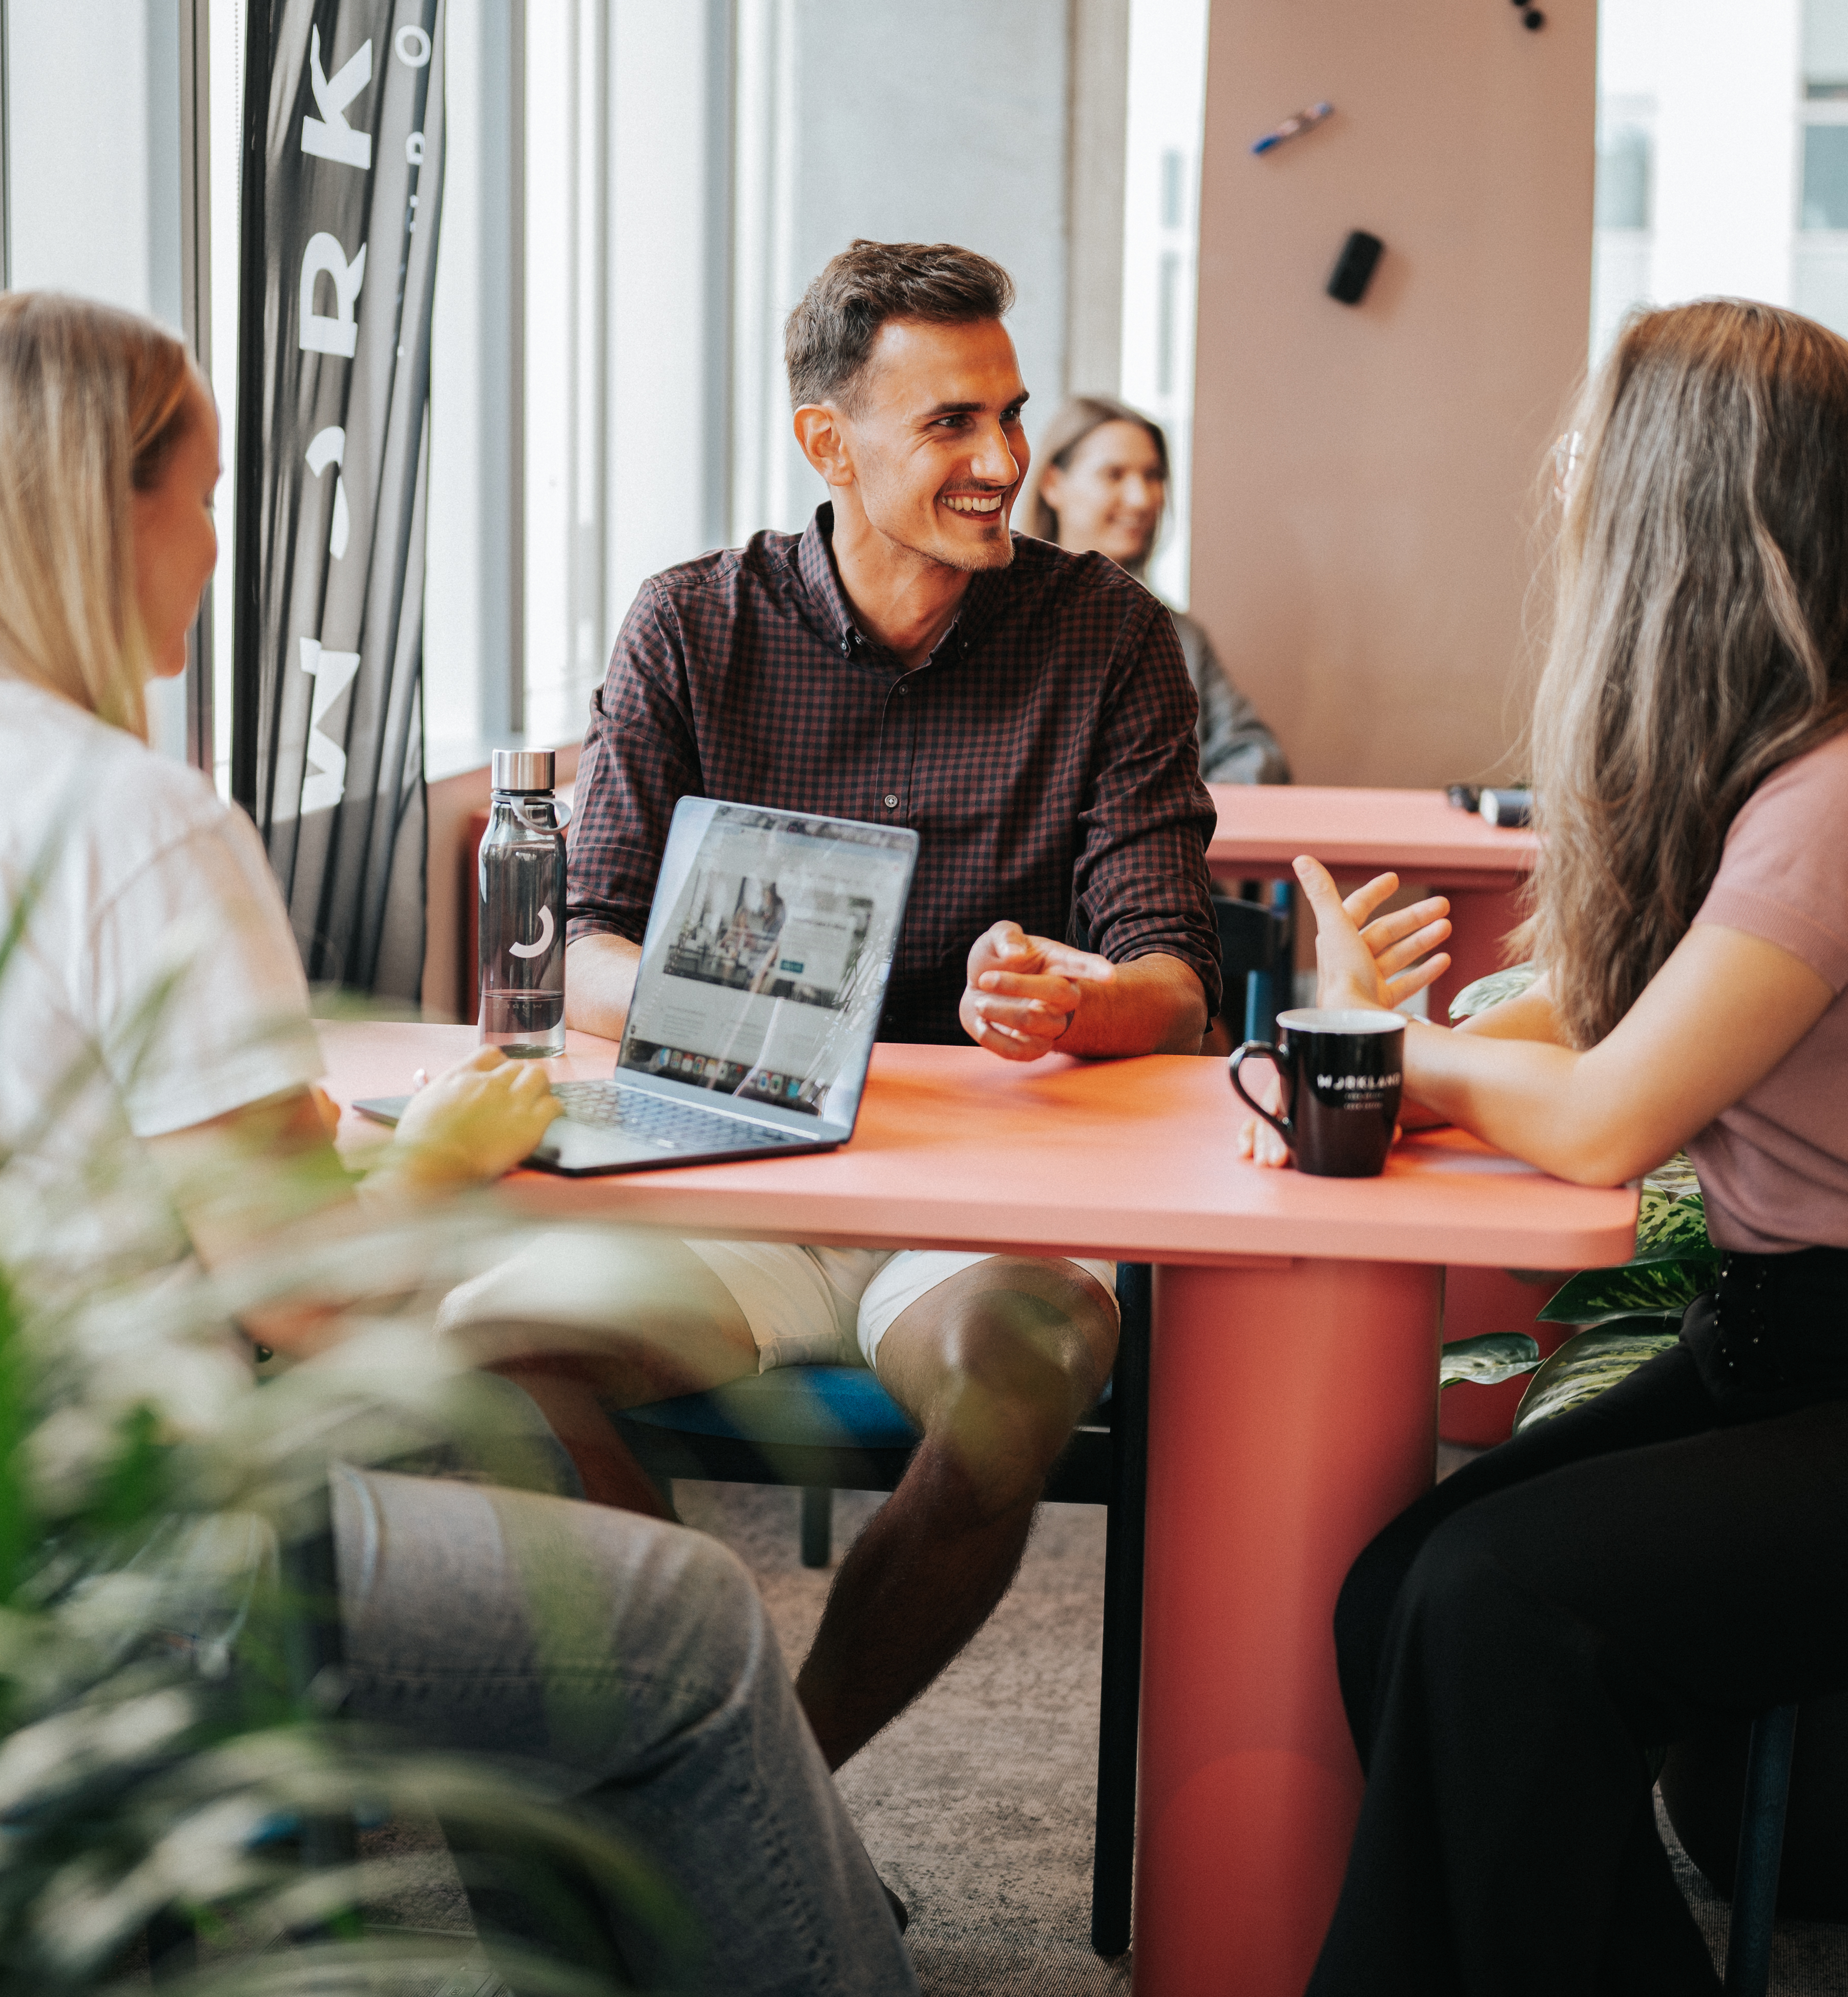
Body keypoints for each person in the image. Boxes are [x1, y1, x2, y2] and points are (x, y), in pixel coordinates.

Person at [0, 291, 922, 1997]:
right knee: (688, 1618)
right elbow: (304, 1310)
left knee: (523, 1521)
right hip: (110, 1557)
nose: (215, 540)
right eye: (197, 493)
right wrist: (454, 1154)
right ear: (98, 509)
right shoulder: (131, 815)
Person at [442, 240, 1447, 1775]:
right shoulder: (689, 626)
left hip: (992, 1202)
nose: (1001, 463)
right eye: (950, 425)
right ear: (825, 443)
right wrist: (733, 993)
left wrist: (1079, 1001)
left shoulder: (1110, 637)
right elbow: (582, 949)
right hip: (734, 1176)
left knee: (1020, 1373)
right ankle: (711, 1761)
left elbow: (1172, 984)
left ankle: (769, 1780)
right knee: (493, 1347)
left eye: (1010, 416)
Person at [1245, 300, 1848, 1997]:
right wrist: (1383, 1031)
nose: (1568, 474)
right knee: (1400, 1597)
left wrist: (1392, 1054)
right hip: (1808, 1356)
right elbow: (1588, 1026)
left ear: (1686, 512)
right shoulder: (1792, 766)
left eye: (1598, 442)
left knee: (1502, 1612)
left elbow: (1601, 1118)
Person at [1021, 392, 1291, 784]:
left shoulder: (1184, 638)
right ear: (1052, 484)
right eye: (1114, 475)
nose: (1142, 498)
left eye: (1153, 476)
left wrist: (1169, 817)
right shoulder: (1001, 623)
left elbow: (1258, 757)